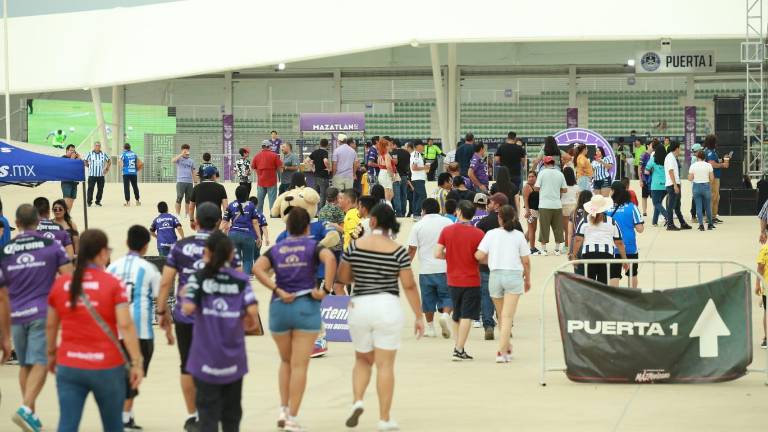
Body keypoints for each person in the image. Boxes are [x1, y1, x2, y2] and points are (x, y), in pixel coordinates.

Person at [47, 229, 144, 432]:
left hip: (70, 363)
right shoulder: (113, 284)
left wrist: (51, 355)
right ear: (102, 253)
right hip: (107, 366)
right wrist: (136, 362)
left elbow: (51, 325)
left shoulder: (62, 284)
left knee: (67, 424)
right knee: (113, 426)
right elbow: (125, 325)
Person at [338, 204, 423, 431]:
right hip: (387, 306)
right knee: (385, 365)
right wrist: (418, 316)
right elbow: (409, 285)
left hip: (360, 305)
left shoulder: (355, 246)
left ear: (372, 222)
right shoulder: (397, 250)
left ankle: (357, 401)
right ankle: (384, 418)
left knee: (362, 360)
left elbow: (343, 277)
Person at [156, 203, 239, 432]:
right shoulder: (225, 245)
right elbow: (238, 280)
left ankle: (193, 416)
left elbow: (166, 281)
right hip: (217, 317)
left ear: (195, 222)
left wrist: (162, 310)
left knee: (187, 366)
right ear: (218, 222)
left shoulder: (181, 246)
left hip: (186, 317)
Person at [253, 207, 336, 432]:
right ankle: (291, 416)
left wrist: (276, 288)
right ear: (307, 227)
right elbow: (329, 259)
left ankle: (282, 407)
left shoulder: (278, 248)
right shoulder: (312, 246)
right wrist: (325, 290)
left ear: (287, 227)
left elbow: (257, 268)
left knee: (285, 361)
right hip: (305, 305)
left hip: (279, 306)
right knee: (300, 365)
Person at [0, 204, 72, 432]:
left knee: (26, 364)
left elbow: (1, 295)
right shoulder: (51, 246)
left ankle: (30, 412)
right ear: (37, 222)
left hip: (17, 315)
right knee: (41, 361)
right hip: (43, 311)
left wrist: (4, 335)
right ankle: (25, 409)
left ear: (17, 224)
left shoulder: (7, 250)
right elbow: (68, 277)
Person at [181, 232, 260, 432]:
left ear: (206, 253)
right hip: (233, 360)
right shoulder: (241, 279)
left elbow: (187, 308)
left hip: (205, 359)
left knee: (207, 416)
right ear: (231, 254)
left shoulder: (198, 278)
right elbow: (252, 313)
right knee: (232, 416)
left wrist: (185, 295)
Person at [106, 225, 164, 431]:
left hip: (115, 330)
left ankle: (123, 415)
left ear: (126, 242)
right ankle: (124, 415)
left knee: (121, 375)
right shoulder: (149, 269)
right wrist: (166, 322)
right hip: (141, 331)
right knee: (135, 373)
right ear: (146, 246)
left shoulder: (112, 268)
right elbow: (161, 299)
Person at [475, 204, 530, 362]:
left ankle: (506, 347)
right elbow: (526, 261)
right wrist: (528, 278)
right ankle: (501, 351)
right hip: (513, 276)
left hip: (495, 275)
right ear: (513, 218)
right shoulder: (519, 236)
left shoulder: (491, 234)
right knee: (507, 317)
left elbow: (478, 255)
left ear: (499, 218)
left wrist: (491, 259)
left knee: (502, 316)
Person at [436, 200, 485, 361]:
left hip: (452, 278)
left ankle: (459, 347)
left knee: (457, 315)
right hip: (471, 279)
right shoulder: (478, 234)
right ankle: (458, 349)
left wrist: (449, 256)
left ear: (458, 212)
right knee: (467, 315)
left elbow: (437, 253)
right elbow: (482, 257)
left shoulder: (447, 231)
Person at [408, 198, 453, 339]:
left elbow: (412, 249)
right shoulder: (448, 223)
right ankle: (445, 315)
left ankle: (431, 328)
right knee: (447, 296)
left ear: (424, 210)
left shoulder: (418, 226)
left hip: (426, 270)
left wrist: (405, 265)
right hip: (445, 268)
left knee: (428, 300)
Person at [473, 193, 510, 340]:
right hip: (506, 266)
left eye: (491, 203)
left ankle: (488, 326)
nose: (488, 205)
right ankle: (506, 324)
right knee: (504, 297)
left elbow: (478, 246)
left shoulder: (483, 223)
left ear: (497, 205)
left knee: (486, 296)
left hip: (486, 265)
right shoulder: (514, 223)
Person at [570, 195, 629, 284]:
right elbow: (619, 242)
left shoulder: (584, 220)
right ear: (604, 208)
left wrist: (574, 255)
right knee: (603, 284)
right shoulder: (612, 221)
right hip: (606, 255)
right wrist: (624, 259)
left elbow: (578, 239)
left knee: (590, 284)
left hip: (588, 255)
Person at [607, 182, 644, 288]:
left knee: (614, 275)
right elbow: (640, 229)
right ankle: (632, 296)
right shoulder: (632, 207)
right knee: (632, 273)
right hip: (630, 247)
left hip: (612, 247)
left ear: (613, 191)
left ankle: (614, 299)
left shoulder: (607, 208)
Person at [222, 185, 263, 276]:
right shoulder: (251, 205)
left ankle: (235, 278)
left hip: (233, 234)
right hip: (248, 235)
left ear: (236, 194)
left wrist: (222, 234)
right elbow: (255, 222)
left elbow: (224, 222)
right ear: (247, 195)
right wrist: (259, 237)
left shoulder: (231, 205)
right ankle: (245, 279)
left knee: (235, 259)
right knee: (248, 259)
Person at [534, 156, 567, 255]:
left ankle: (544, 250)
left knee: (544, 228)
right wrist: (556, 190)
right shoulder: (560, 174)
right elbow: (565, 189)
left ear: (544, 164)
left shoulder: (542, 173)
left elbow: (536, 188)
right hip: (557, 204)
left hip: (544, 204)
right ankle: (557, 249)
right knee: (558, 228)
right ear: (553, 163)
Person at [664, 142, 692, 231]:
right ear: (676, 148)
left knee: (677, 206)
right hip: (672, 184)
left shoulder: (673, 157)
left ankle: (682, 223)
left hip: (675, 184)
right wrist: (675, 185)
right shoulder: (670, 157)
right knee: (671, 206)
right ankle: (670, 224)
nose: (680, 150)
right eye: (679, 148)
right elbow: (670, 171)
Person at [189, 165, 228, 230]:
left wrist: (191, 220)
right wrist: (225, 220)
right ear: (213, 175)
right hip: (216, 219)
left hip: (200, 218)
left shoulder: (196, 188)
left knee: (202, 237)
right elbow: (225, 206)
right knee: (214, 238)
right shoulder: (220, 187)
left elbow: (191, 207)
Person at [252, 141, 284, 214]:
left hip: (261, 181)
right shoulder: (274, 155)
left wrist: (259, 173)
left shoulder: (257, 156)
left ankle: (258, 214)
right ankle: (273, 214)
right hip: (272, 181)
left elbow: (253, 167)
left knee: (260, 200)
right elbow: (280, 166)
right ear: (268, 147)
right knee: (272, 200)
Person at [704, 134, 729, 224]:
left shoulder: (711, 151)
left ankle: (713, 216)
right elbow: (711, 164)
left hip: (716, 176)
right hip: (713, 177)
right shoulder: (709, 152)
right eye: (715, 141)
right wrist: (722, 164)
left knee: (716, 196)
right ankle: (709, 217)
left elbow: (715, 161)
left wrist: (723, 159)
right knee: (713, 196)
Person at [688, 150, 716, 231]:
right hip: (706, 186)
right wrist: (708, 184)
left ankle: (701, 225)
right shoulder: (708, 165)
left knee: (698, 207)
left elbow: (690, 178)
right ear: (705, 157)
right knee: (708, 207)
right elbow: (712, 178)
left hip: (696, 187)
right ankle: (710, 224)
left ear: (697, 157)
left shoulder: (693, 166)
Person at [568, 190, 593, 276]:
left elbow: (570, 233)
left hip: (576, 245)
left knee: (579, 275)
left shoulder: (573, 213)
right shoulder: (593, 213)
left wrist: (570, 250)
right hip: (589, 244)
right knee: (590, 275)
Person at [644, 142, 669, 227]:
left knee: (656, 203)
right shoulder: (667, 160)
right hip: (665, 185)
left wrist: (652, 171)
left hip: (656, 185)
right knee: (659, 203)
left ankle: (668, 217)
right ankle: (654, 222)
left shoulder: (653, 160)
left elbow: (646, 172)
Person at [84, 141, 111, 208]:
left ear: (100, 147)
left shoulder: (103, 154)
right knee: (90, 188)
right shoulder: (90, 154)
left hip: (101, 175)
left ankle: (98, 202)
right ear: (94, 146)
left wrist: (106, 169)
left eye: (99, 145)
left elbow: (109, 161)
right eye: (96, 145)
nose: (97, 147)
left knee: (100, 189)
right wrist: (89, 166)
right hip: (92, 175)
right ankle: (89, 202)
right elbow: (85, 161)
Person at [173, 144, 197, 217]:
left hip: (189, 182)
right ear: (182, 150)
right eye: (184, 149)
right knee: (179, 197)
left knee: (188, 199)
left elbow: (193, 171)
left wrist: (195, 181)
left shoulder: (191, 161)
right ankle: (177, 214)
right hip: (181, 181)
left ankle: (187, 214)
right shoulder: (179, 159)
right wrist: (181, 154)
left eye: (187, 149)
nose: (186, 151)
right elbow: (173, 161)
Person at [561, 167, 579, 251]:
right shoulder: (577, 186)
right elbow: (578, 198)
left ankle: (566, 245)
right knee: (574, 228)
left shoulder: (562, 187)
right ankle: (574, 245)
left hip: (564, 206)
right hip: (574, 206)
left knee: (566, 229)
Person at [523, 171, 541, 255]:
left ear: (536, 177)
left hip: (536, 210)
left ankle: (521, 245)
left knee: (532, 229)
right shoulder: (527, 186)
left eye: (532, 176)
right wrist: (527, 211)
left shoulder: (537, 186)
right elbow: (525, 200)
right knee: (531, 230)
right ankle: (532, 248)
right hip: (531, 210)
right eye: (529, 176)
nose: (530, 178)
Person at [409, 140, 429, 219]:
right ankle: (417, 213)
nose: (423, 147)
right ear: (418, 146)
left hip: (417, 178)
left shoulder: (417, 154)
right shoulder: (416, 154)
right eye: (422, 146)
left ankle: (415, 214)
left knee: (417, 197)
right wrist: (425, 167)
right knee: (423, 196)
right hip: (418, 179)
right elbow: (414, 168)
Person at [309, 139, 331, 209]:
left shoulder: (315, 152)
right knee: (323, 195)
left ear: (320, 144)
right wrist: (329, 168)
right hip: (323, 176)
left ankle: (315, 210)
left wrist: (312, 169)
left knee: (316, 194)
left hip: (316, 176)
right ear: (327, 145)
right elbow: (325, 161)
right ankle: (321, 212)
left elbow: (307, 160)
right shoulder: (325, 152)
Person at [392, 140, 411, 217]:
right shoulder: (407, 153)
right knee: (404, 195)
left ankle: (399, 213)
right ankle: (403, 212)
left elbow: (394, 163)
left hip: (396, 176)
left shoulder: (394, 152)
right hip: (404, 176)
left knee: (397, 195)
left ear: (395, 145)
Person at [60, 145, 82, 210]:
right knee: (66, 201)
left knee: (71, 202)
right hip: (66, 182)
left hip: (74, 183)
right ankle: (64, 217)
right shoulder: (63, 158)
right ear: (67, 150)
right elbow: (65, 168)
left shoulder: (75, 159)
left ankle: (67, 217)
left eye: (74, 150)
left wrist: (79, 158)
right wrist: (72, 159)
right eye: (71, 150)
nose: (73, 152)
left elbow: (80, 167)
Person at [375, 138, 396, 204]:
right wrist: (392, 176)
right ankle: (387, 207)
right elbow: (388, 166)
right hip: (386, 174)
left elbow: (379, 165)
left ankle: (386, 206)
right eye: (389, 145)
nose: (390, 147)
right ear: (385, 146)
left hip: (382, 173)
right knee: (388, 193)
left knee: (389, 193)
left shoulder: (380, 155)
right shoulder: (387, 155)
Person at [755, 243, 768, 349]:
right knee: (766, 311)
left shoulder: (764, 249)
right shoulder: (765, 250)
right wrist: (757, 284)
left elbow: (760, 268)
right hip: (767, 287)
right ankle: (766, 338)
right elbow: (760, 268)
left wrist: (757, 284)